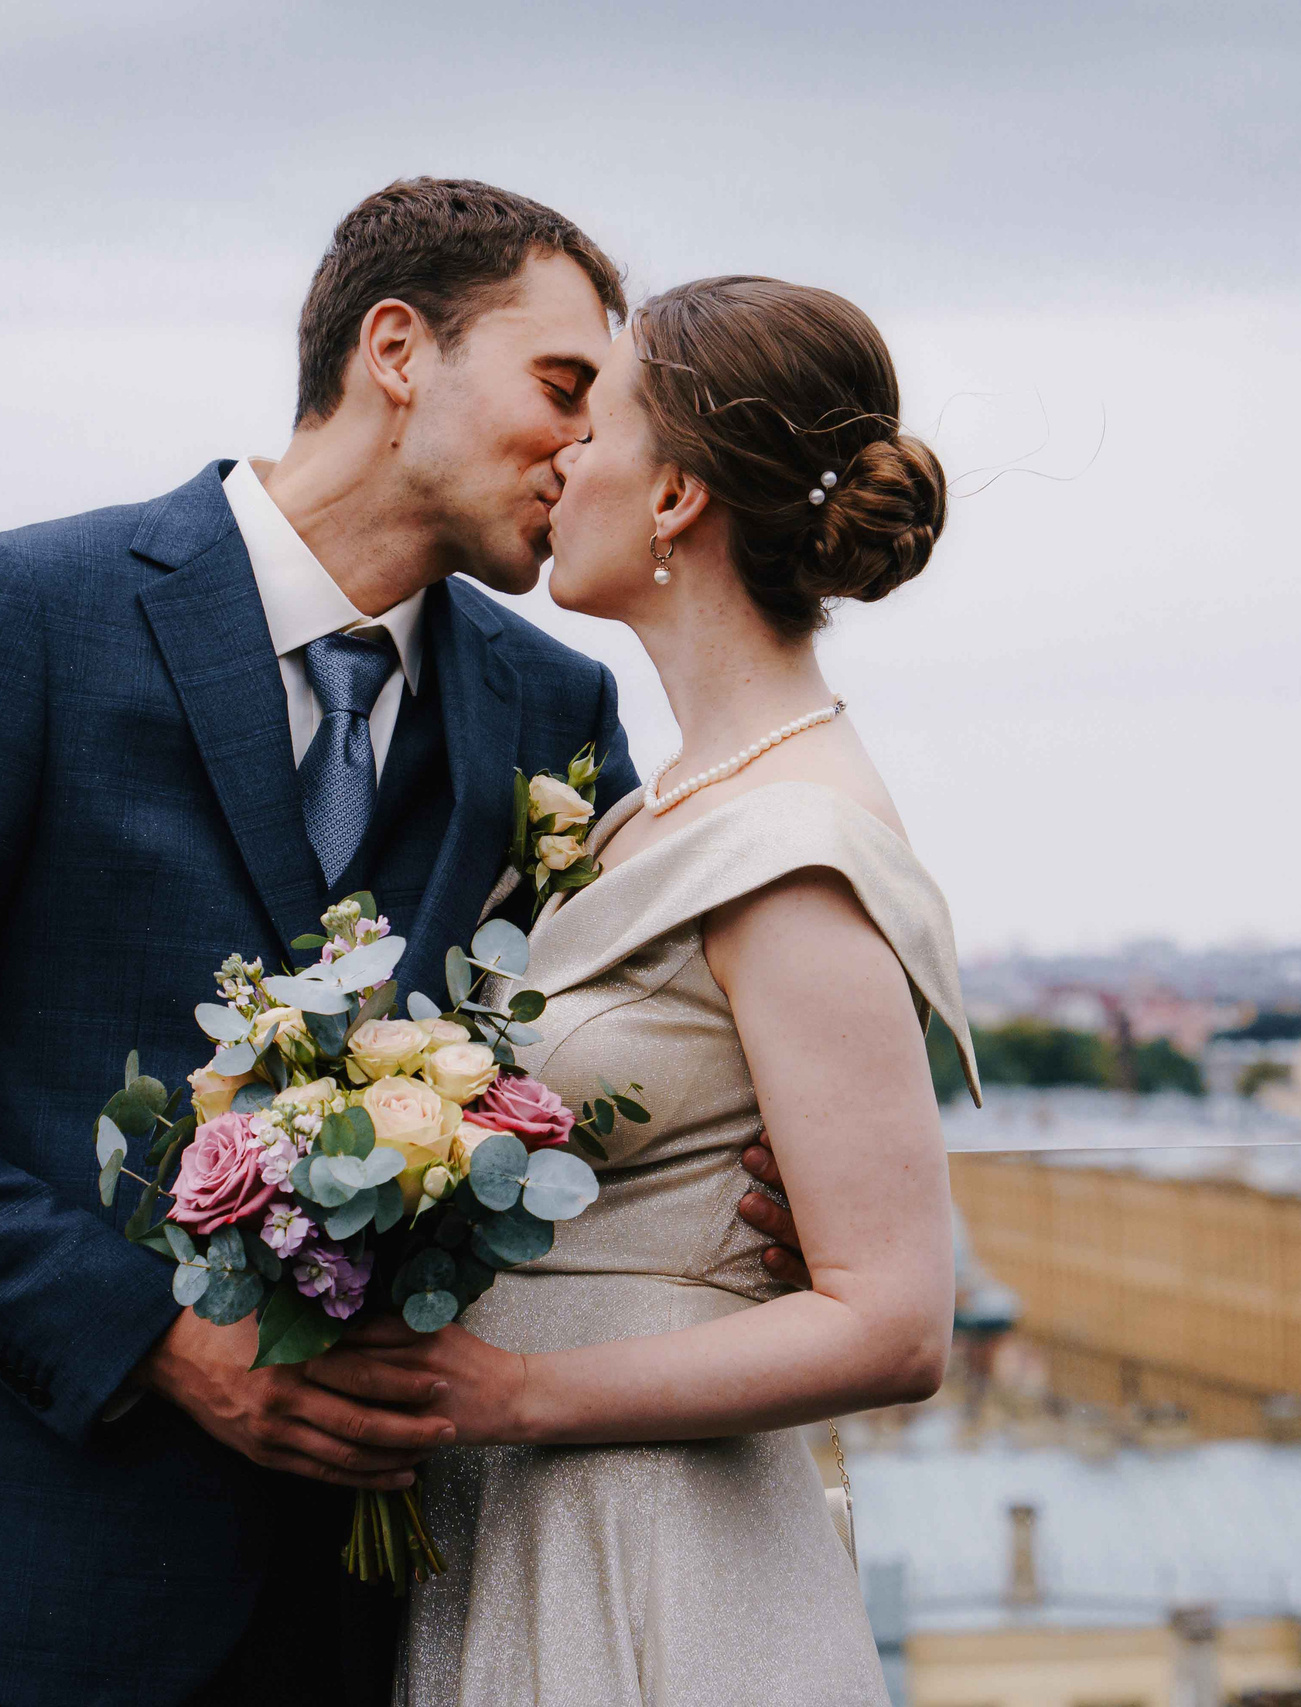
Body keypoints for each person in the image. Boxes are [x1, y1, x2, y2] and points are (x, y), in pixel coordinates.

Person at [0, 182, 804, 1707]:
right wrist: (157, 1341)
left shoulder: (553, 709)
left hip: (374, 1605)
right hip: (11, 1589)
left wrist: (752, 1186)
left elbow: (635, 1043)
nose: (588, 449)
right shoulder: (23, 616)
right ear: (397, 350)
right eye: (563, 387)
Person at [368, 275, 983, 1706]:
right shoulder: (666, 810)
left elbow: (894, 1323)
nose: (563, 456)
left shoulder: (793, 849)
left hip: (656, 1553)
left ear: (675, 499)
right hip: (541, 1512)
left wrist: (511, 1393)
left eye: (601, 423)